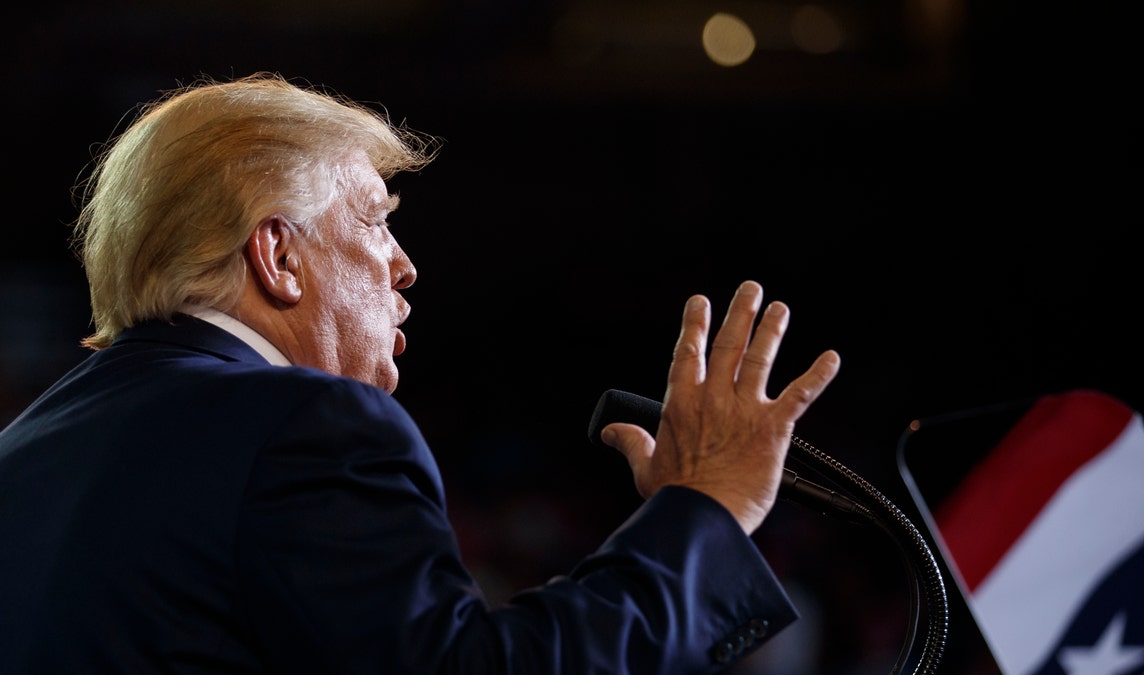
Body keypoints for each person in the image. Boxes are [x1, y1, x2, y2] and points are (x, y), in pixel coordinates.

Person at [0, 72, 841, 674]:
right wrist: (705, 510)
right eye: (375, 221)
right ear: (278, 255)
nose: (404, 268)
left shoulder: (25, 449)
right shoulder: (306, 426)